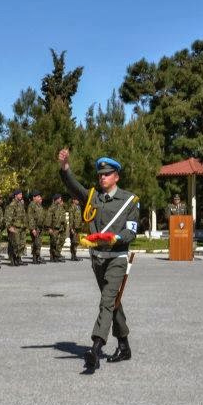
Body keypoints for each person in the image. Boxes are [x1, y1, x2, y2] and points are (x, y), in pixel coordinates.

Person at [59, 149, 139, 370]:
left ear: (116, 176)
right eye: (100, 174)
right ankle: (124, 346)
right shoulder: (92, 197)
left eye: (107, 174)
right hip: (98, 261)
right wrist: (65, 168)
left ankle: (95, 348)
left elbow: (132, 232)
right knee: (113, 302)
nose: (102, 177)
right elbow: (74, 187)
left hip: (117, 258)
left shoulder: (129, 200)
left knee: (106, 301)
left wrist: (115, 237)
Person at [4, 189, 27, 266]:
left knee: (21, 244)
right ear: (15, 195)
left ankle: (18, 258)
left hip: (21, 227)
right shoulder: (12, 205)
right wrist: (9, 227)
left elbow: (23, 216)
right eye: (19, 194)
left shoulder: (20, 204)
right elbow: (8, 217)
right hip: (15, 227)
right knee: (15, 244)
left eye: (21, 194)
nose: (21, 196)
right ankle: (13, 259)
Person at [26, 191, 46, 264]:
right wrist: (32, 229)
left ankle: (37, 257)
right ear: (34, 197)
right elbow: (30, 217)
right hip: (35, 227)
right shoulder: (31, 205)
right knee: (35, 243)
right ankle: (35, 258)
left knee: (39, 243)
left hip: (40, 227)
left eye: (39, 196)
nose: (39, 198)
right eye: (38, 196)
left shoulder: (38, 205)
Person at [47, 194, 67, 262]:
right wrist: (49, 228)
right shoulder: (52, 207)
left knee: (61, 241)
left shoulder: (60, 207)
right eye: (59, 198)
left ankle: (57, 254)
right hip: (54, 228)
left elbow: (62, 216)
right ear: (56, 199)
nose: (60, 199)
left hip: (61, 228)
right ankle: (53, 256)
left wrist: (64, 226)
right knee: (53, 242)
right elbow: (49, 218)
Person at [68, 196, 84, 261]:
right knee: (74, 242)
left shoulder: (78, 207)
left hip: (78, 227)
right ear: (73, 200)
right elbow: (71, 218)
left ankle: (74, 255)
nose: (78, 201)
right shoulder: (72, 207)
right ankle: (73, 255)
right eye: (77, 200)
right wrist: (71, 228)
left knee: (76, 242)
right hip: (74, 227)